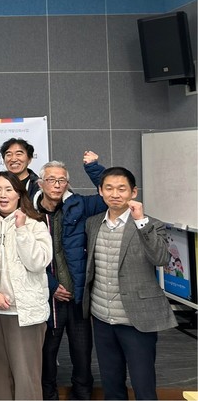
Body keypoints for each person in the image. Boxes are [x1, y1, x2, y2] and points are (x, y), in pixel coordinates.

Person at [84, 166, 177, 400]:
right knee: (111, 384)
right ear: (100, 191)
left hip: (137, 319)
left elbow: (161, 258)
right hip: (102, 317)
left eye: (122, 189)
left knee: (143, 385)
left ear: (133, 192)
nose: (115, 194)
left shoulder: (151, 224)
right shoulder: (93, 223)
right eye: (109, 188)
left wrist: (141, 221)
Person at [34, 159, 107, 400]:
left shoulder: (79, 205)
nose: (57, 185)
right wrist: (52, 286)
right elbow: (25, 259)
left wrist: (93, 167)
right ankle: (48, 396)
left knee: (82, 355)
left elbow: (109, 194)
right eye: (51, 180)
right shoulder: (29, 213)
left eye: (62, 180)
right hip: (47, 297)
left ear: (67, 183)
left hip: (77, 296)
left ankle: (82, 396)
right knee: (47, 356)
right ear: (41, 183)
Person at [0, 171, 52, 400]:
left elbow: (38, 262)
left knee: (26, 378)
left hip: (25, 313)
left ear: (19, 194)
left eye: (9, 189)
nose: (3, 195)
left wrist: (21, 230)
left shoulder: (35, 223)